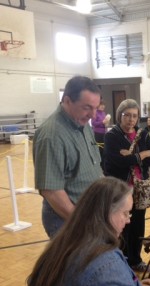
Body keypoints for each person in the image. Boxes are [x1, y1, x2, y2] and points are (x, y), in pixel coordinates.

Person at [26, 177, 150, 286]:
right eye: (125, 213)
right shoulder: (103, 260)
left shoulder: (64, 241)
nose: (129, 219)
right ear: (107, 213)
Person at [33, 76, 103, 238]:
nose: (93, 114)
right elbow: (52, 191)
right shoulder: (51, 135)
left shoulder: (83, 124)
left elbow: (93, 167)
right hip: (67, 220)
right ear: (67, 101)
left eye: (95, 108)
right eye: (87, 107)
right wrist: (82, 223)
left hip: (89, 214)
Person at [104, 99, 150, 272]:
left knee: (138, 225)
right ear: (120, 115)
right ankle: (120, 262)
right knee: (121, 227)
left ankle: (135, 259)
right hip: (120, 189)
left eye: (134, 116)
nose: (131, 120)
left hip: (139, 190)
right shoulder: (112, 136)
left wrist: (135, 155)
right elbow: (117, 162)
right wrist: (142, 154)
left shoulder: (142, 134)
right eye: (127, 115)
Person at [91, 100, 111, 170]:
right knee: (99, 150)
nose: (103, 106)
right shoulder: (95, 113)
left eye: (103, 105)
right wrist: (102, 122)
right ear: (98, 105)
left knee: (104, 150)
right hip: (97, 133)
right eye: (101, 105)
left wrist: (107, 123)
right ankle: (99, 166)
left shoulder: (103, 113)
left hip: (104, 133)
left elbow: (105, 123)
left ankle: (103, 166)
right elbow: (93, 123)